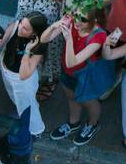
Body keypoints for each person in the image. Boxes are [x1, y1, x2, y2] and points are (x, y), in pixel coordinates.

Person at [7, 0, 68, 100]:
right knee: (23, 57)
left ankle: (48, 82)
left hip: (47, 34)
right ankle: (26, 80)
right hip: (24, 29)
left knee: (48, 60)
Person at [46, 9, 111, 145]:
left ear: (95, 21)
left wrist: (69, 39)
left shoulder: (98, 36)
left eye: (83, 19)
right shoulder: (73, 22)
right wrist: (55, 25)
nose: (77, 21)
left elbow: (73, 62)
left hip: (84, 76)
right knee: (71, 97)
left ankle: (93, 124)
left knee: (89, 102)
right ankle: (73, 123)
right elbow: (45, 39)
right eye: (76, 16)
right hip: (67, 72)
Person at [0, 12, 49, 138]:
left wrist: (27, 50)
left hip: (22, 80)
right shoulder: (15, 26)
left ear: (34, 33)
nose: (20, 27)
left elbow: (24, 74)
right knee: (15, 98)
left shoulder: (37, 46)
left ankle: (35, 131)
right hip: (6, 71)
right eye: (22, 23)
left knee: (28, 106)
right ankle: (20, 112)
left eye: (25, 28)